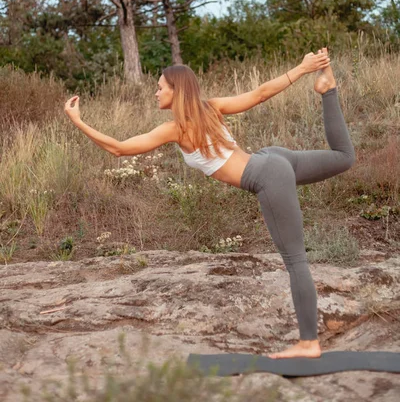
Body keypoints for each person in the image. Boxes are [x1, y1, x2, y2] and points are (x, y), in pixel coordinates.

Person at [64, 47, 355, 359]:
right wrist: (302, 68)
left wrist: (78, 121)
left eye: (160, 86)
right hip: (271, 158)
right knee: (344, 157)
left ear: (176, 92)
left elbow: (119, 149)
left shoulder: (177, 129)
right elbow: (258, 94)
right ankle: (327, 89)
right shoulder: (209, 109)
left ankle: (309, 344)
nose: (156, 92)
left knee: (295, 260)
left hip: (267, 175)